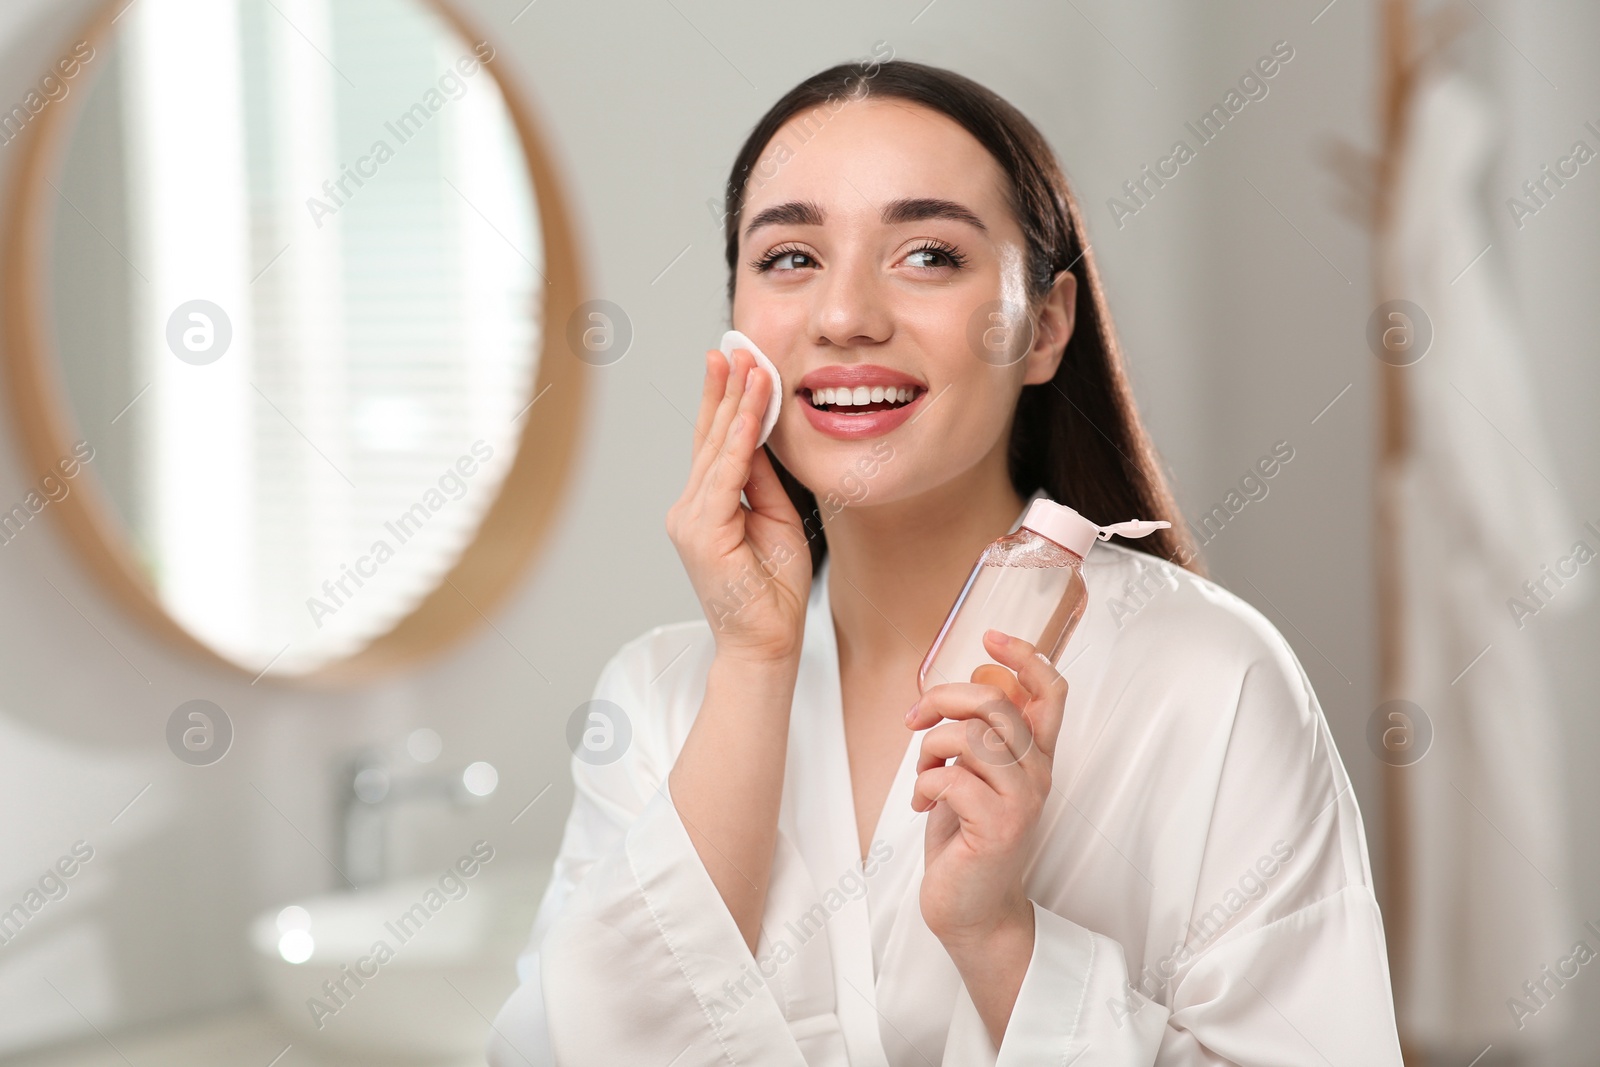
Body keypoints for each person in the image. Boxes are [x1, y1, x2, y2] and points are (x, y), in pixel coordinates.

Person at [487, 58, 1403, 1065]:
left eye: (926, 253)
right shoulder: (658, 698)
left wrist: (1000, 939)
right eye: (790, 257)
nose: (844, 316)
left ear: (1046, 325)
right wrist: (752, 659)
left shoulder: (1209, 676)